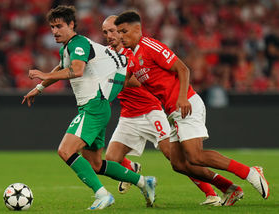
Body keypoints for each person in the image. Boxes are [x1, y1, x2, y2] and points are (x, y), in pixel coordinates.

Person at [114, 11, 269, 206]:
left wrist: (182, 98)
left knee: (195, 155)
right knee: (178, 164)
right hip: (173, 111)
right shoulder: (131, 57)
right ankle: (230, 188)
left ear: (137, 29)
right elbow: (122, 83)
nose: (121, 36)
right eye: (118, 32)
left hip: (186, 103)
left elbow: (183, 68)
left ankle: (251, 172)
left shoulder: (150, 46)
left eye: (124, 31)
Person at [22, 6, 157, 210]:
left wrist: (44, 75)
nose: (55, 31)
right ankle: (143, 182)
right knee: (95, 164)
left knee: (65, 150)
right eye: (52, 27)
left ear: (71, 25)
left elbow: (77, 70)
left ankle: (102, 194)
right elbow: (62, 66)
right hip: (99, 106)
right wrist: (39, 88)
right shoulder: (68, 47)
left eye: (59, 26)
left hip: (93, 106)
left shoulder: (80, 43)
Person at [102, 15, 221, 206]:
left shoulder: (133, 51)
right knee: (111, 159)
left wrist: (114, 80)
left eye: (113, 31)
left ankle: (211, 192)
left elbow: (136, 81)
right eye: (105, 32)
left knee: (175, 158)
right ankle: (132, 168)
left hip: (151, 111)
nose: (109, 35)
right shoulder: (107, 54)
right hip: (128, 115)